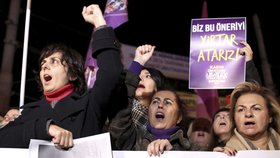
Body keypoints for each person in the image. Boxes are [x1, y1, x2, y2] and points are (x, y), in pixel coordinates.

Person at [0, 4, 123, 149]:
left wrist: (99, 24)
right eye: (43, 64)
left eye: (54, 61)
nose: (45, 66)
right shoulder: (28, 112)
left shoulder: (89, 104)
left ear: (72, 75)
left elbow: (111, 73)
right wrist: (45, 128)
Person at [109, 89, 190, 156]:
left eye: (168, 102)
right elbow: (120, 113)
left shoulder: (189, 149)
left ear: (179, 117)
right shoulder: (133, 139)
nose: (160, 105)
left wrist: (171, 152)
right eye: (155, 101)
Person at [214, 81, 280, 156]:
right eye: (241, 110)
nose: (248, 114)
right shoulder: (225, 153)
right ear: (234, 119)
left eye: (256, 108)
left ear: (270, 117)